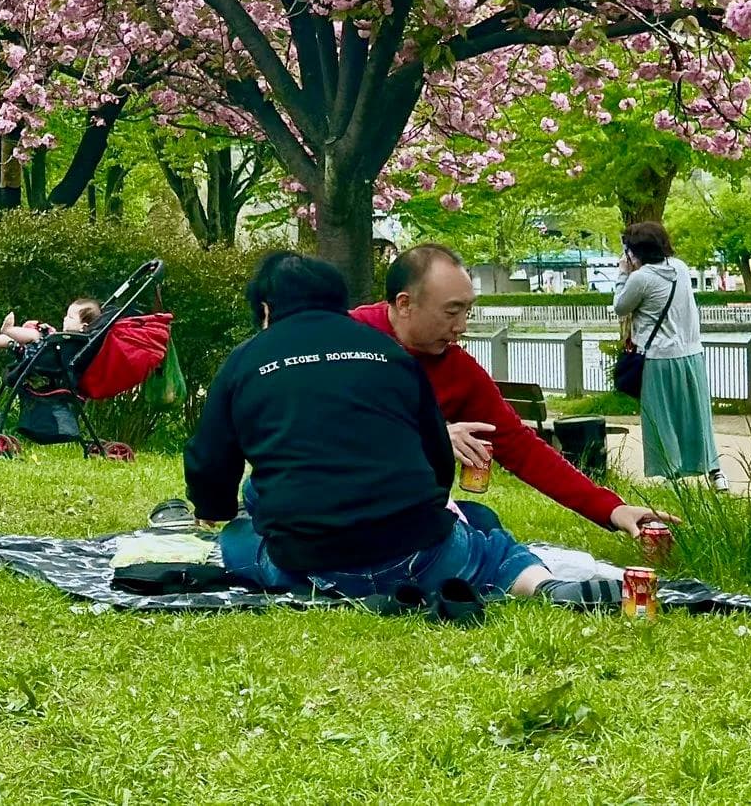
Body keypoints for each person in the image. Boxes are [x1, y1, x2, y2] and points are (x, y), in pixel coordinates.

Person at [190, 252, 612, 608]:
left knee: (240, 533)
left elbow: (210, 458)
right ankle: (539, 585)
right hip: (421, 550)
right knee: (493, 549)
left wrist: (215, 508)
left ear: (266, 309)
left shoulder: (245, 361)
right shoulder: (390, 355)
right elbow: (436, 458)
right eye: (454, 311)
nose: (461, 325)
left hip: (308, 563)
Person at [352, 244, 674, 540]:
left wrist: (611, 509)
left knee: (484, 525)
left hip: (408, 511)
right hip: (336, 510)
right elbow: (322, 428)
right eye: (452, 312)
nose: (462, 326)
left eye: (468, 310)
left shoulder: (457, 368)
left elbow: (520, 446)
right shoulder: (342, 339)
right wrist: (430, 437)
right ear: (405, 304)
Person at [616, 221, 719, 483]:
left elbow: (620, 306)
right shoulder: (680, 268)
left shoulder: (640, 278)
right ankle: (713, 471)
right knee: (696, 416)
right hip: (691, 354)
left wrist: (622, 274)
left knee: (661, 417)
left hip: (658, 358)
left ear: (634, 252)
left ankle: (670, 471)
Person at [0, 297, 101, 351]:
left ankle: (8, 330)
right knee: (17, 341)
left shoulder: (79, 342)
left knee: (35, 335)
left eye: (70, 317)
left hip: (51, 355)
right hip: (49, 349)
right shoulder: (72, 337)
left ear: (83, 326)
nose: (65, 318)